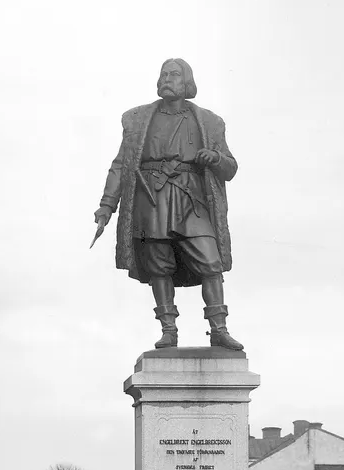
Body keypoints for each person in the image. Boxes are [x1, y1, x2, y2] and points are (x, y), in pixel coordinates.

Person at [93, 58, 243, 351]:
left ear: (187, 82)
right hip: (151, 197)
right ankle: (168, 330)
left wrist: (215, 158)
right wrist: (107, 205)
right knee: (158, 265)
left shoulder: (210, 122)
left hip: (191, 197)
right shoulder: (137, 119)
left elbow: (230, 168)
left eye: (174, 75)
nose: (167, 79)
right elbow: (122, 165)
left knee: (210, 261)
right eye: (163, 74)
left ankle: (219, 329)